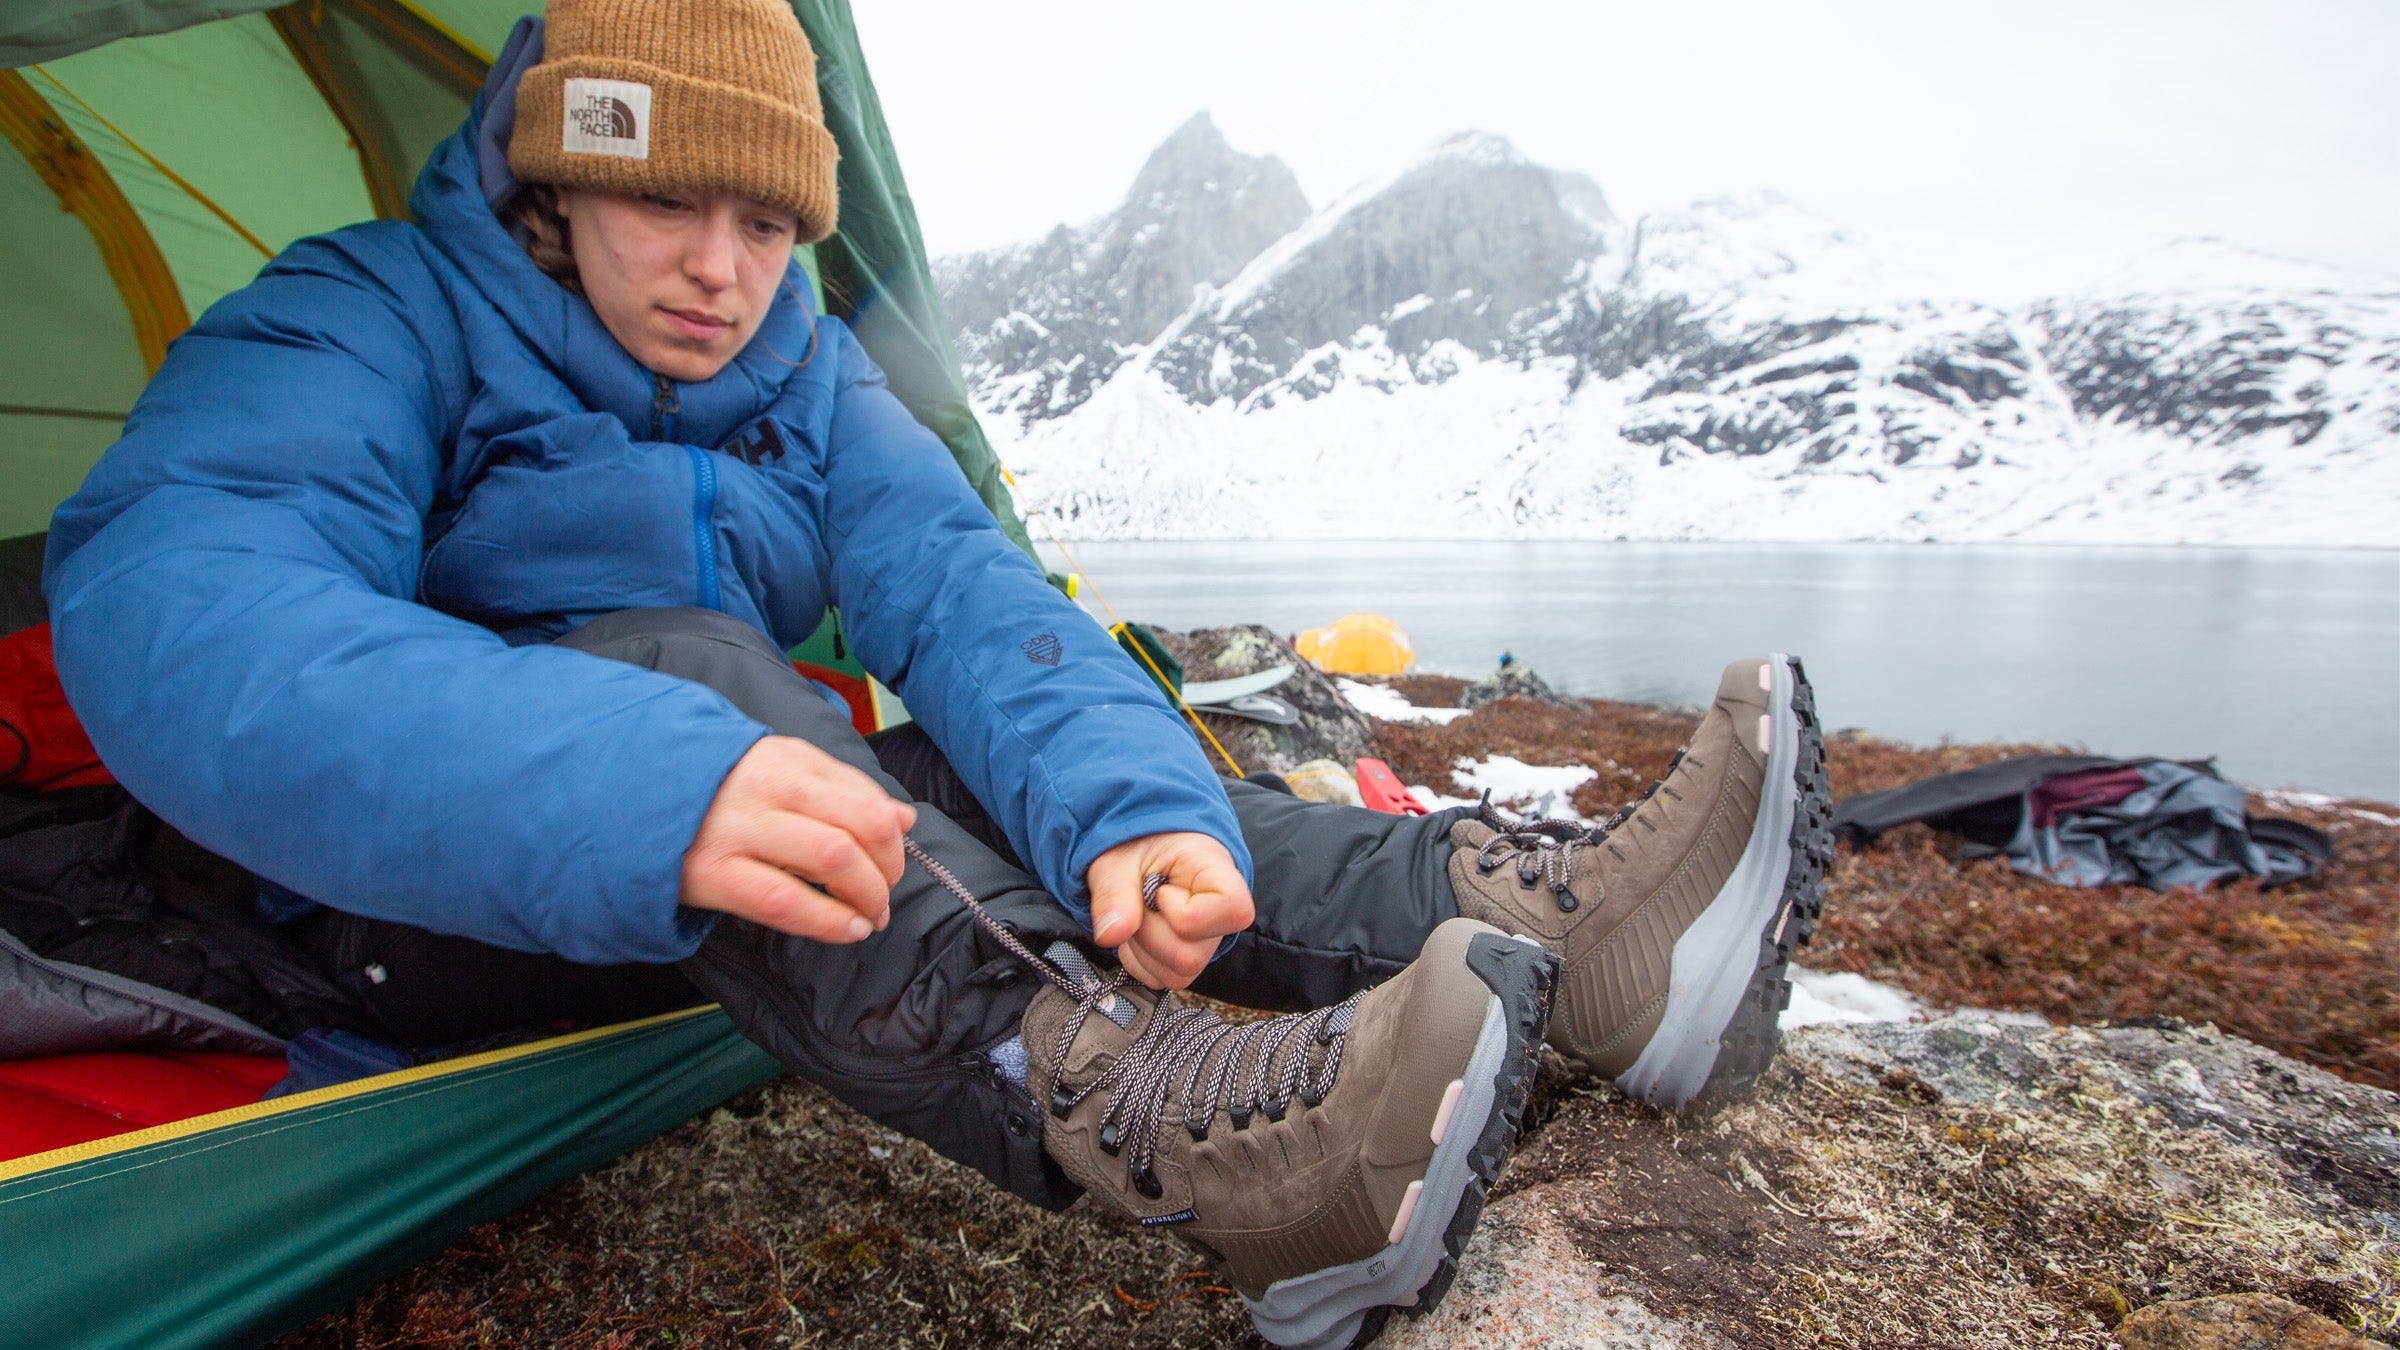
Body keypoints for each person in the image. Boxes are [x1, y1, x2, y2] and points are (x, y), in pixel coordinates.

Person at [39, 1, 1831, 1344]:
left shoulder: (804, 376)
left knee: (973, 759)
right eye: (667, 199)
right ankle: (1166, 1121)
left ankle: (1577, 936)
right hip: (386, 896)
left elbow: (977, 604)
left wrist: (1133, 811)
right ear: (556, 173)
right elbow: (187, 601)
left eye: (770, 223)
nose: (722, 273)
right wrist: (634, 776)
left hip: (725, 861)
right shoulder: (372, 309)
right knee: (690, 678)